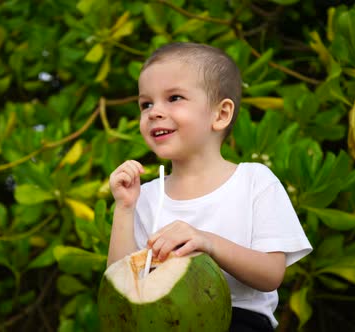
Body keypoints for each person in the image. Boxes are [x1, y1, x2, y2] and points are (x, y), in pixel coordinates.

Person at [107, 42, 312, 332]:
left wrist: (208, 243)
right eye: (146, 104)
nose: (154, 112)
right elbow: (121, 290)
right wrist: (125, 208)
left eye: (174, 97)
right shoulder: (146, 196)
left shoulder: (255, 182)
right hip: (164, 323)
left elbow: (271, 274)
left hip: (238, 321)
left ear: (221, 114)